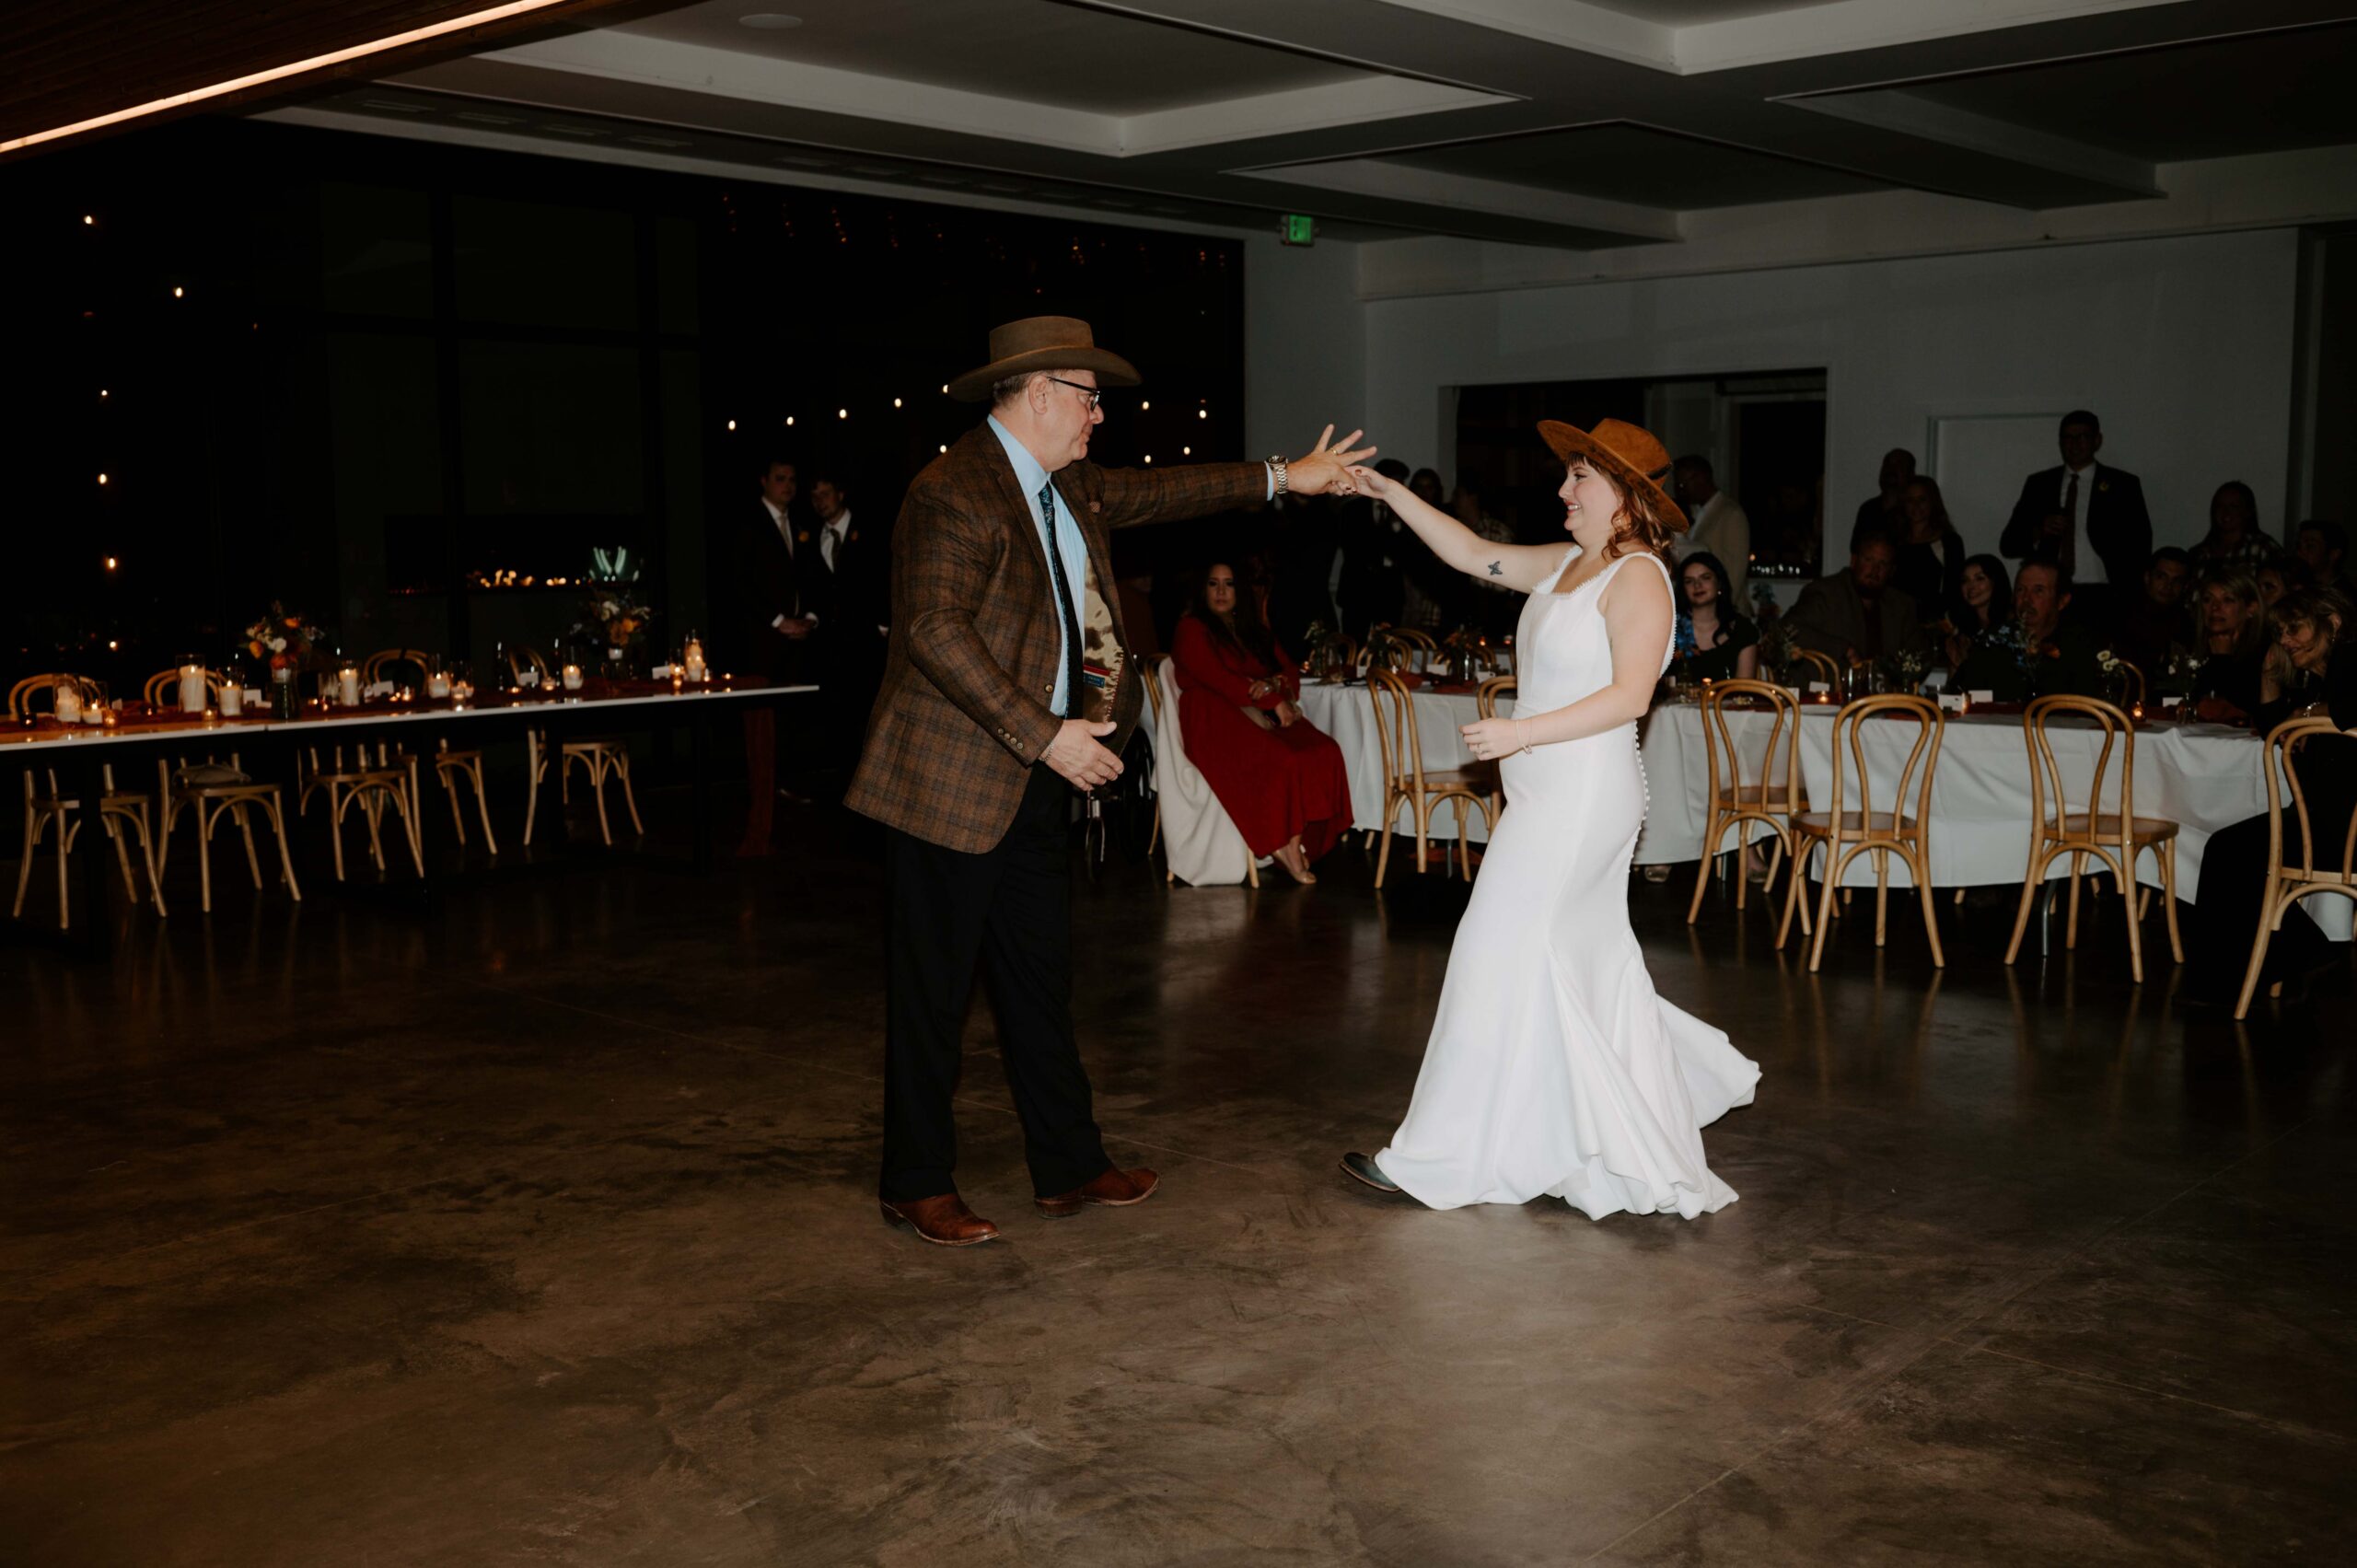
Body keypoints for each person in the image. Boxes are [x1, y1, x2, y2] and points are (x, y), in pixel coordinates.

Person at [845, 316, 1366, 1247]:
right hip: (951, 780)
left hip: (1039, 778)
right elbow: (932, 630)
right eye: (1090, 399)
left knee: (1039, 980)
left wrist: (1286, 476)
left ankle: (1069, 1162)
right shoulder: (950, 491)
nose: (1099, 419)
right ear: (1038, 392)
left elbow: (1169, 492)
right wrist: (1044, 733)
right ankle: (913, 1177)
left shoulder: (1069, 484)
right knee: (932, 991)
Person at [1335, 418, 1759, 1220]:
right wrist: (1389, 493)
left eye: (1578, 479)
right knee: (1561, 962)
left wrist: (1520, 732)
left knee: (1490, 951)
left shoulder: (1639, 577)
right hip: (1545, 796)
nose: (1562, 491)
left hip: (1583, 799)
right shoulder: (1568, 564)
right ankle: (1580, 1133)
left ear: (1625, 497)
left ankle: (1435, 1155)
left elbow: (1632, 697)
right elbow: (1465, 552)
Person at [2176, 585, 2357, 1016]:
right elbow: (2278, 734)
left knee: (2230, 853)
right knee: (2230, 853)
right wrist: (2269, 680)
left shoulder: (2352, 658)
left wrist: (2308, 714)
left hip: (2343, 826)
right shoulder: (2321, 678)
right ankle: (2297, 952)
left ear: (2331, 624)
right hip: (2319, 821)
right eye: (2280, 632)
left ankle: (2250, 971)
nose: (2285, 640)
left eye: (2294, 629)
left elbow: (2349, 709)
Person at [1169, 561, 1352, 885]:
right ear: (1203, 590)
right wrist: (1268, 697)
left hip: (1259, 710)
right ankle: (1283, 843)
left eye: (1229, 584)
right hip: (1212, 715)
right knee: (1283, 760)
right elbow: (1216, 677)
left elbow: (1290, 671)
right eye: (1214, 584)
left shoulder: (1251, 629)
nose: (1222, 591)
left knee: (1325, 750)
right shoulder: (1192, 627)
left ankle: (1297, 839)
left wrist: (1274, 686)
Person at [793, 470, 889, 796]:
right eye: (814, 496)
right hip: (831, 647)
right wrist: (810, 618)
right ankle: (845, 788)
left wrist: (883, 622)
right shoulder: (811, 537)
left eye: (826, 493)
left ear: (841, 493)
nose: (820, 502)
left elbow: (885, 576)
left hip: (867, 642)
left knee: (869, 715)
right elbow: (814, 590)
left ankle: (873, 789)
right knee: (837, 718)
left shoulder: (871, 530)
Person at [1999, 411, 2152, 611]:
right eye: (2068, 438)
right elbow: (2009, 544)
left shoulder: (2122, 484)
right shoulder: (2040, 484)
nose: (2075, 444)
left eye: (2082, 437)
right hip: (2051, 594)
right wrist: (2039, 532)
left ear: (2097, 441)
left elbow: (2141, 542)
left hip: (2106, 591)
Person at [737, 455, 810, 853]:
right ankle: (758, 820)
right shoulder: (748, 524)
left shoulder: (798, 525)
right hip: (760, 648)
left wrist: (808, 617)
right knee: (760, 738)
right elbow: (740, 584)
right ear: (764, 481)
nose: (788, 485)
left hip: (793, 645)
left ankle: (785, 800)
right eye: (780, 478)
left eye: (793, 479)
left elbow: (807, 578)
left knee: (790, 729)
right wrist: (779, 619)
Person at [1948, 560, 2107, 701]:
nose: (2026, 599)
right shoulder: (1994, 641)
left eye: (2038, 591)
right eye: (2020, 590)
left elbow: (2089, 704)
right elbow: (1961, 696)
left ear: (2062, 601)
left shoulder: (2079, 645)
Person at [1785, 529, 1921, 665]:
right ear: (1854, 561)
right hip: (1828, 683)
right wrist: (1843, 649)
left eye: (1883, 564)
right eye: (1869, 560)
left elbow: (1916, 654)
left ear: (1891, 571)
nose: (1875, 570)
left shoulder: (1901, 606)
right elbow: (1788, 630)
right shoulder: (1826, 594)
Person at [2187, 566, 2282, 721]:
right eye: (2207, 600)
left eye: (2227, 600)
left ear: (2250, 608)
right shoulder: (2192, 643)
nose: (2215, 608)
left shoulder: (2265, 650)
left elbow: (2244, 707)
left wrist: (2222, 659)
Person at [2107, 546, 2195, 684]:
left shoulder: (2187, 624)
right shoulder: (2119, 614)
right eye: (2161, 577)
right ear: (2148, 577)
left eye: (2176, 581)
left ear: (2185, 586)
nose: (2168, 586)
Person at [1674, 455, 1750, 605]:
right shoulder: (1693, 512)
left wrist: (1721, 610)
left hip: (1723, 609)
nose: (1680, 491)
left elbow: (1736, 572)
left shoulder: (1731, 513)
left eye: (1683, 484)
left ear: (1701, 478)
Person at [1891, 473, 1966, 621]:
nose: (1916, 506)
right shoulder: (1893, 541)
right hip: (1896, 618)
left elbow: (1954, 590)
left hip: (1932, 622)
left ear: (1933, 502)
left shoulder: (1949, 542)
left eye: (1922, 499)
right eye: (1910, 500)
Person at [1676, 551, 1758, 682]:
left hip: (1729, 703)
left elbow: (1744, 691)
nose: (1697, 585)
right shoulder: (1670, 630)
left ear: (1719, 583)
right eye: (1689, 581)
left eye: (1705, 577)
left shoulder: (1742, 630)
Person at [1942, 553, 2011, 669]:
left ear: (1995, 582)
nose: (1971, 586)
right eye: (1965, 580)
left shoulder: (2011, 626)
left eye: (1980, 578)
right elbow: (1955, 682)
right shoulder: (1963, 632)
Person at [2189, 481, 2280, 569]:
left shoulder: (2263, 548)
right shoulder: (2199, 553)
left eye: (2234, 506)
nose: (2226, 512)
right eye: (2220, 506)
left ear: (2248, 511)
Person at [1852, 448, 1915, 552]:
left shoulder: (1914, 511)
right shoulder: (1868, 509)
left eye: (1899, 465)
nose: (1891, 469)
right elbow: (1856, 551)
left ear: (1910, 474)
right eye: (1887, 464)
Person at [2294, 518, 2351, 595]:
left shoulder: (2342, 596)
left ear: (2334, 554)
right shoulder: (2300, 586)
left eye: (2310, 546)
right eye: (2299, 546)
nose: (2300, 553)